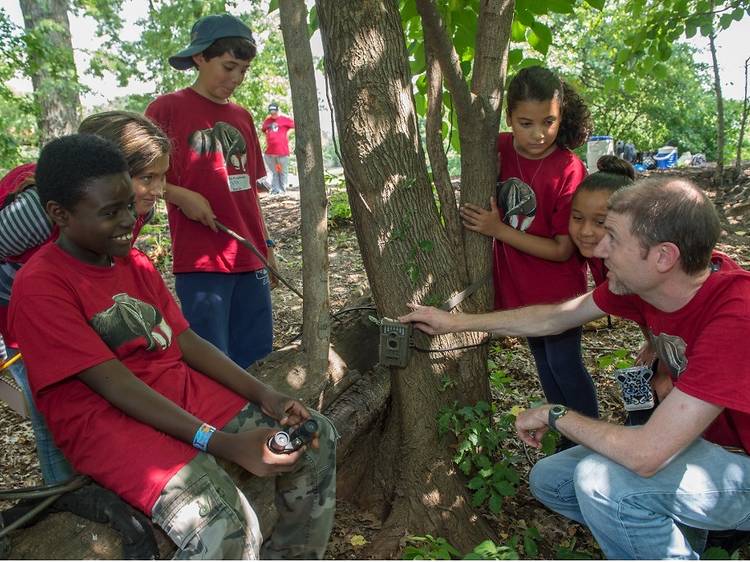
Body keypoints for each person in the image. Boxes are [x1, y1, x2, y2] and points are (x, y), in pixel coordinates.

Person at [9, 134, 336, 559]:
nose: (130, 219)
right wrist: (221, 442)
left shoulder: (134, 263)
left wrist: (266, 394)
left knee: (315, 439)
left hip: (174, 393)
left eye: (129, 204)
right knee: (226, 524)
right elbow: (117, 388)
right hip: (107, 425)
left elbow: (185, 340)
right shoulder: (41, 286)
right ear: (60, 214)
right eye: (110, 212)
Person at [400, 175, 750, 559]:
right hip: (702, 447)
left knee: (602, 483)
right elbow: (555, 317)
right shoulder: (648, 287)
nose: (598, 248)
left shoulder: (736, 316)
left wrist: (555, 414)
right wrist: (454, 323)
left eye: (613, 237)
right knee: (552, 479)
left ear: (664, 257)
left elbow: (647, 455)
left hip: (738, 465)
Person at [0, 110, 171, 485]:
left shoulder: (134, 205)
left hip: (75, 309)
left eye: (162, 177)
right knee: (52, 410)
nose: (159, 190)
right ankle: (66, 500)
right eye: (148, 178)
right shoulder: (35, 213)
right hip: (23, 317)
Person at [459, 65, 597, 426]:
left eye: (548, 122)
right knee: (545, 367)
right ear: (508, 118)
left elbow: (562, 249)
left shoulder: (569, 168)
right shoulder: (499, 148)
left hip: (559, 293)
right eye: (526, 123)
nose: (538, 134)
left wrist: (498, 229)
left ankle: (590, 438)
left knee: (565, 365)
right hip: (520, 287)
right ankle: (569, 439)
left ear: (560, 115)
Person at [145, 13, 278, 369]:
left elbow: (250, 192)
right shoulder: (166, 108)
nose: (236, 79)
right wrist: (180, 195)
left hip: (249, 256)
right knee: (214, 361)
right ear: (200, 57)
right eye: (229, 66)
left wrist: (268, 248)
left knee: (258, 357)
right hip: (202, 260)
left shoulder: (243, 117)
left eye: (244, 70)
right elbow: (139, 176)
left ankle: (263, 425)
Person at [261, 103, 295, 195]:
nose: (273, 114)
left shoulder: (284, 119)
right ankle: (276, 190)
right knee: (275, 171)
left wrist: (287, 134)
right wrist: (269, 138)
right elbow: (263, 130)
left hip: (281, 152)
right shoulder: (268, 120)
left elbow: (294, 126)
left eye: (274, 112)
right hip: (271, 152)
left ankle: (283, 190)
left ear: (278, 110)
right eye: (271, 112)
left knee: (282, 171)